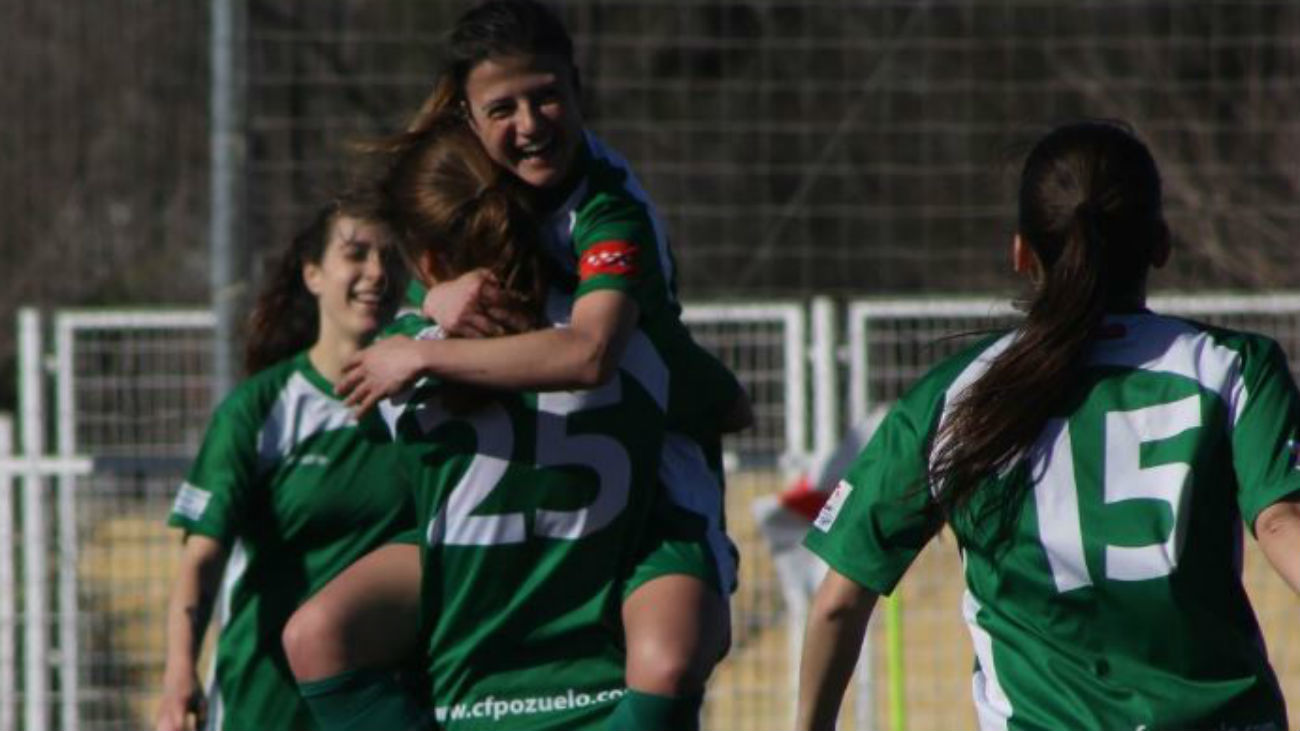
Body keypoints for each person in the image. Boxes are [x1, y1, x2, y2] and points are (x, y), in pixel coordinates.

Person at [795, 121, 1300, 731]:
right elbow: (1280, 524)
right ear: (1161, 244)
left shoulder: (956, 395)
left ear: (1020, 253)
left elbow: (837, 604)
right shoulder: (1232, 367)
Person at [332, 3, 750, 728]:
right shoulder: (465, 187)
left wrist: (424, 350)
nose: (530, 122)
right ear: (466, 113)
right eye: (503, 107)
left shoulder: (609, 204)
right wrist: (434, 300)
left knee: (668, 655)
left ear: (578, 87)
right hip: (522, 489)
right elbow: (421, 278)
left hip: (646, 466)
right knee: (318, 632)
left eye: (547, 94)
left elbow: (591, 351)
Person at [286, 120, 672, 731]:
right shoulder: (628, 341)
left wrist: (425, 321)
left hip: (479, 663)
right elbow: (724, 403)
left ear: (428, 259)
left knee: (314, 634)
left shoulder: (399, 364)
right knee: (674, 657)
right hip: (597, 629)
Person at [155, 192, 414, 731]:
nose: (376, 272)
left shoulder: (426, 404)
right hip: (268, 702)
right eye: (357, 253)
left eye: (391, 256)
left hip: (381, 702)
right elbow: (201, 559)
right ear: (313, 274)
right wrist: (179, 673)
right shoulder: (261, 410)